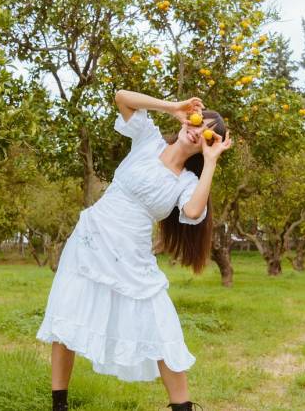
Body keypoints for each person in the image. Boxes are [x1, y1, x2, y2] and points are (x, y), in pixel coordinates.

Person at [36, 89, 232, 411]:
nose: (198, 131)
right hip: (90, 240)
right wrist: (173, 107)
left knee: (163, 327)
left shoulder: (186, 181)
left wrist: (210, 162)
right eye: (199, 122)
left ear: (207, 145)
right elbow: (121, 96)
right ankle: (59, 405)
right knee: (66, 318)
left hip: (132, 257)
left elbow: (194, 211)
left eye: (207, 134)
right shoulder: (148, 140)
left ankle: (182, 407)